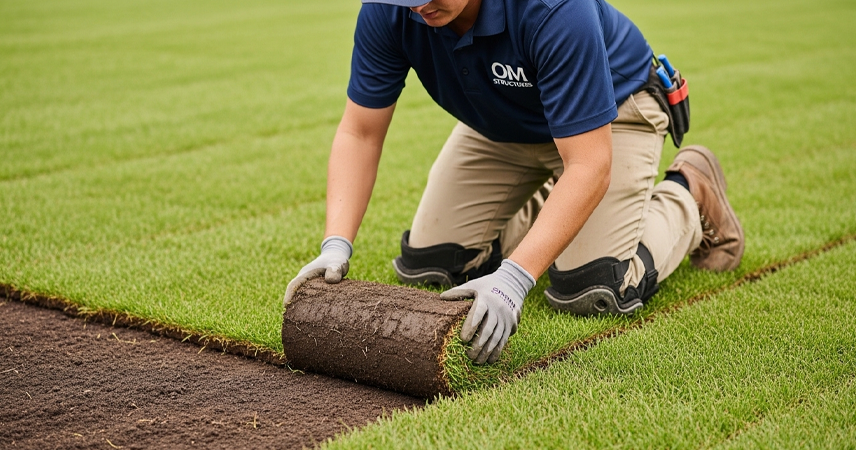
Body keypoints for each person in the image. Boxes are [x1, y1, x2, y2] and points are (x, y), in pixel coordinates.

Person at [284, 0, 744, 365]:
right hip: (503, 125)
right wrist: (336, 244)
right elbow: (360, 132)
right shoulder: (392, 10)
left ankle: (688, 191)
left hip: (612, 117)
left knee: (591, 289)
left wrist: (514, 279)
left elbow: (589, 164)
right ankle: (559, 206)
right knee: (431, 264)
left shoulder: (554, 8)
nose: (418, 9)